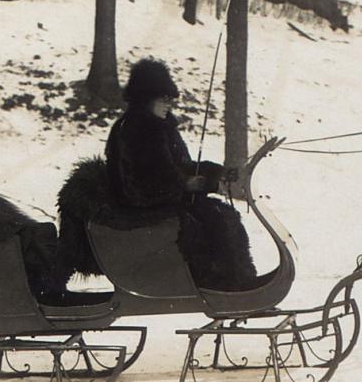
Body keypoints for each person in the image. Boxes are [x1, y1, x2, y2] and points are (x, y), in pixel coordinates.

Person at [104, 58, 257, 291]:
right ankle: (214, 285)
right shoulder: (130, 130)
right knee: (203, 222)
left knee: (223, 214)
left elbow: (182, 166)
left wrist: (217, 174)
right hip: (140, 210)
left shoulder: (163, 128)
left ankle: (239, 282)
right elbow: (135, 186)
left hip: (168, 200)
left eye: (169, 99)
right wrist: (186, 186)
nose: (168, 104)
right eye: (162, 98)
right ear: (145, 98)